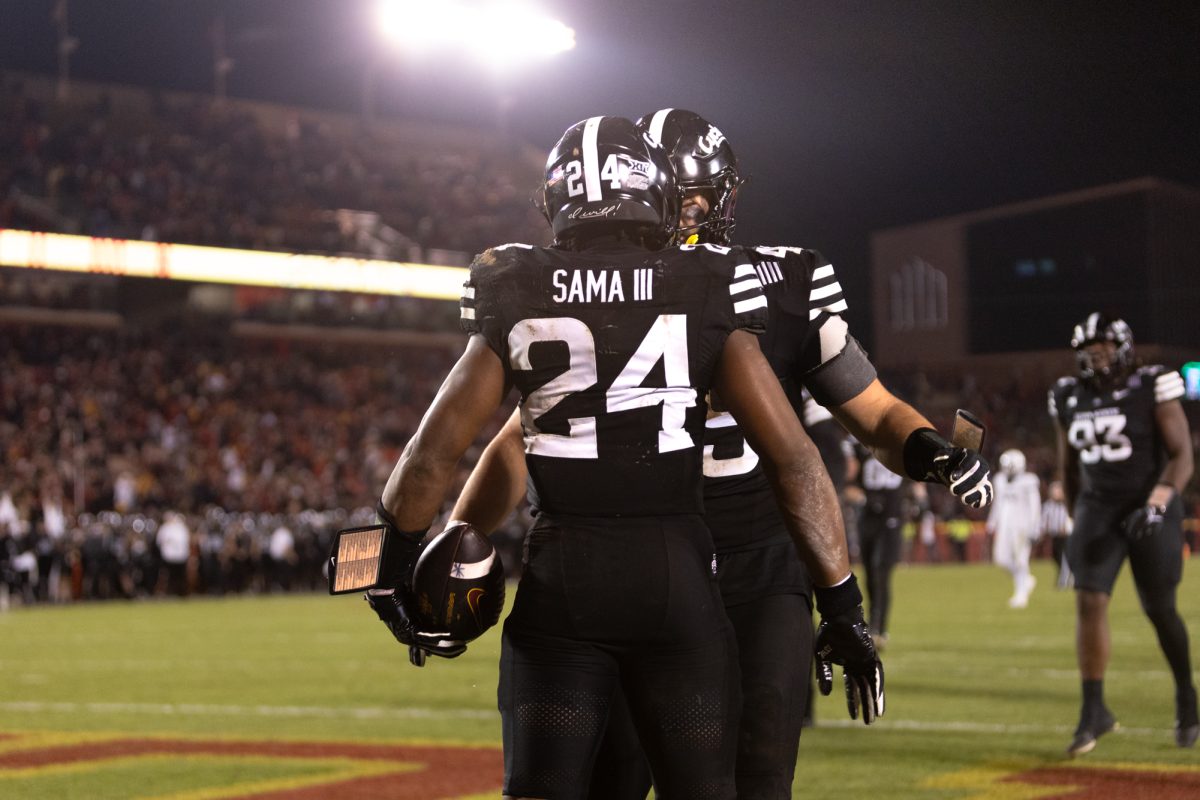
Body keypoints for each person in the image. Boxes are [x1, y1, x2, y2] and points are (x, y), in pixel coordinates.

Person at [451, 109, 993, 799]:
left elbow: (875, 413)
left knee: (757, 775)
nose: (695, 217)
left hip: (755, 567)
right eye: (686, 201)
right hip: (648, 562)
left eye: (703, 201)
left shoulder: (782, 283)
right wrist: (457, 540)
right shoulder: (611, 286)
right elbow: (517, 443)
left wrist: (932, 453)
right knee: (614, 777)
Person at [365, 115, 883, 800]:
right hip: (679, 590)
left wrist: (389, 568)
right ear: (656, 192)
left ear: (557, 202)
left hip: (563, 594)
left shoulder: (515, 280)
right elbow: (794, 459)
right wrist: (842, 606)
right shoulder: (707, 280)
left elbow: (435, 454)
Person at [1049, 312, 1197, 756]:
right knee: (1089, 600)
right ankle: (1094, 709)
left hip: (1150, 504)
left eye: (1104, 349)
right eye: (1087, 352)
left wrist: (1158, 501)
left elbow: (1182, 455)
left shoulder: (1153, 383)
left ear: (1124, 348)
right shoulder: (1067, 395)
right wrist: (1077, 522)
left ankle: (1187, 697)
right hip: (1097, 508)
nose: (1095, 358)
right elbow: (1069, 467)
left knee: (1160, 609)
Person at [849, 437, 909, 647]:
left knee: (881, 572)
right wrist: (862, 497)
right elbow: (849, 483)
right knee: (870, 575)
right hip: (868, 519)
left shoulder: (901, 447)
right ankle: (874, 626)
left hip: (891, 520)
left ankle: (879, 628)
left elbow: (915, 479)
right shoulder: (859, 449)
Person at [987, 448, 1042, 608]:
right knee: (1001, 559)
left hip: (1022, 526)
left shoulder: (1029, 481)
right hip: (1005, 526)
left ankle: (1021, 595)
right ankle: (1026, 580)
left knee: (1020, 560)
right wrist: (992, 522)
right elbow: (998, 503)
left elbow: (1035, 506)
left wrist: (1035, 526)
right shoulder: (999, 480)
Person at [1040, 480, 1074, 588]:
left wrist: (1067, 528)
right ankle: (1067, 576)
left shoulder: (1066, 505)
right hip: (1054, 535)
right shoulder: (1048, 506)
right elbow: (1044, 520)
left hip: (1065, 535)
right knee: (1056, 556)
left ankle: (1064, 580)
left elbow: (1069, 519)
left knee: (1063, 557)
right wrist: (1042, 530)